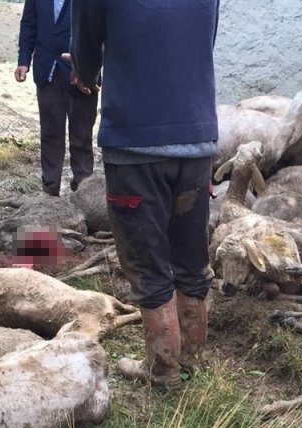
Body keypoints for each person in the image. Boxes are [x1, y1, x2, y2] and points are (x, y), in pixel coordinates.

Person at [71, 0, 219, 388]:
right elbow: (203, 40)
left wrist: (85, 73)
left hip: (135, 143)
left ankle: (163, 370)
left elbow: (85, 53)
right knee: (191, 260)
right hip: (196, 137)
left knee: (148, 263)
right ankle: (190, 360)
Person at [16, 0, 98, 197]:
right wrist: (23, 61)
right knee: (50, 134)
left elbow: (99, 29)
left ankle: (83, 189)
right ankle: (50, 189)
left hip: (83, 73)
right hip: (47, 71)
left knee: (82, 135)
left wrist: (86, 64)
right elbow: (28, 24)